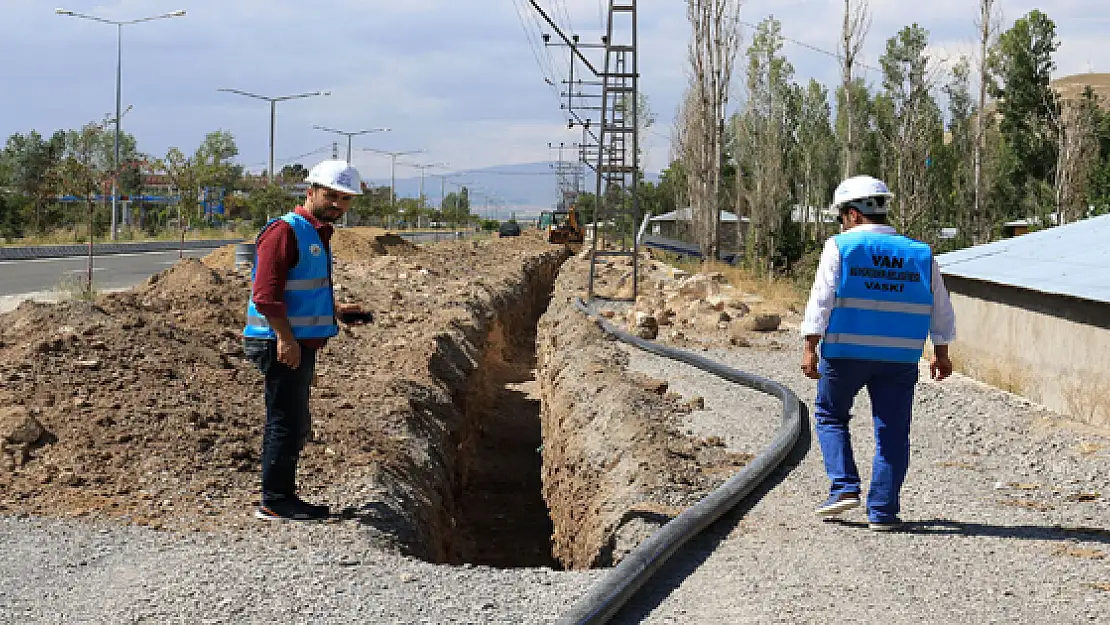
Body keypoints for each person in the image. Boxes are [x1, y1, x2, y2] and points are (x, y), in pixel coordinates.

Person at [799, 175, 956, 531]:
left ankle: (843, 487)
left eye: (841, 215)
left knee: (829, 416)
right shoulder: (921, 253)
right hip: (900, 359)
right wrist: (941, 352)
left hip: (845, 353)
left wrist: (810, 345)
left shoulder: (841, 247)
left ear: (852, 214)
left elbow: (821, 300)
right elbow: (941, 307)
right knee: (893, 432)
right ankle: (883, 512)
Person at [242, 159, 371, 522]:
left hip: (296, 340)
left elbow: (304, 289)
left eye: (345, 199)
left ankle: (281, 495)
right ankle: (275, 500)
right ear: (310, 191)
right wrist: (285, 340)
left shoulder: (317, 232)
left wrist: (338, 310)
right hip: (278, 341)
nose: (338, 205)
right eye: (332, 196)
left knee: (293, 420)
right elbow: (266, 296)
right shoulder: (285, 231)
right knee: (285, 420)